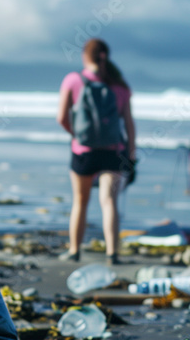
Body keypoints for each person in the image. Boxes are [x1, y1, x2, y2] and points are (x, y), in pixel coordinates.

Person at [56, 38, 136, 265]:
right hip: (113, 152)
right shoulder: (120, 86)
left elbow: (61, 117)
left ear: (85, 56)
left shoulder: (73, 80)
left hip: (84, 152)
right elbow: (129, 124)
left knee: (80, 202)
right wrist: (131, 155)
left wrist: (76, 136)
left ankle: (74, 250)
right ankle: (112, 253)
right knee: (109, 201)